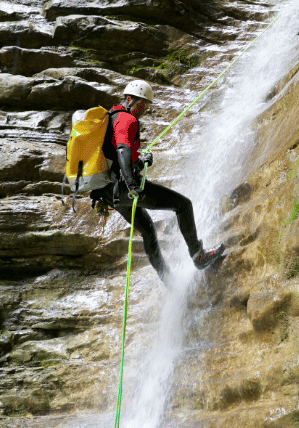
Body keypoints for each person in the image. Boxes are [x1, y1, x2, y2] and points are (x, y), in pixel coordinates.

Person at [90, 80, 224, 282]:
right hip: (126, 188)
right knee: (183, 205)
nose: (143, 110)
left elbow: (118, 157)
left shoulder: (112, 118)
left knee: (148, 230)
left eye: (146, 106)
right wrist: (132, 184)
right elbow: (123, 150)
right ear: (128, 99)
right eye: (140, 104)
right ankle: (198, 255)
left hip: (110, 194)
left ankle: (167, 280)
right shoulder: (127, 119)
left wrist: (140, 161)